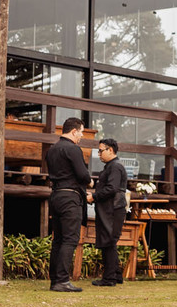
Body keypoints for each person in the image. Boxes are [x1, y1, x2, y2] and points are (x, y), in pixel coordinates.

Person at [48, 117, 91, 293]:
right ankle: (62, 280)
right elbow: (82, 174)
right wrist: (90, 182)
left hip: (55, 195)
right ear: (74, 131)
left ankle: (55, 280)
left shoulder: (52, 150)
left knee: (58, 239)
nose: (81, 135)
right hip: (70, 197)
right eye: (81, 132)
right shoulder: (73, 149)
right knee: (70, 239)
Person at [88, 138, 128, 287]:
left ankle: (109, 278)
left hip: (113, 209)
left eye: (100, 150)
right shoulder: (111, 166)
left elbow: (112, 188)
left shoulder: (115, 167)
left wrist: (94, 196)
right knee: (109, 241)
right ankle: (116, 275)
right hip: (110, 208)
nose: (98, 154)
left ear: (110, 150)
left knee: (109, 242)